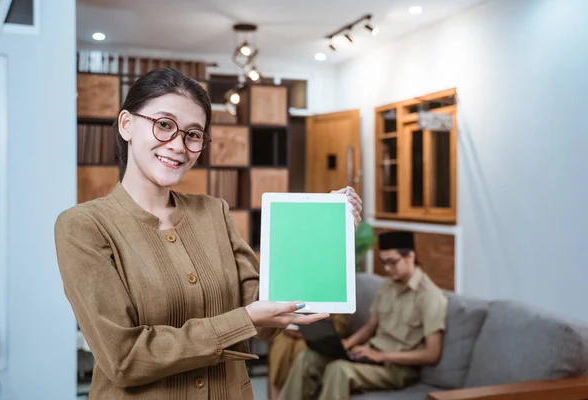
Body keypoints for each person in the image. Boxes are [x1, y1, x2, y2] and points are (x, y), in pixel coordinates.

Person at [53, 68, 363, 400]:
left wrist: (324, 229)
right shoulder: (82, 226)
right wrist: (242, 320)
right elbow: (125, 359)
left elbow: (264, 304)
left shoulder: (214, 211)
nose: (178, 145)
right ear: (127, 124)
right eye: (164, 125)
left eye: (193, 134)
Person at [278, 231, 448, 400]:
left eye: (392, 262)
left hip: (397, 368)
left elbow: (432, 354)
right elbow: (370, 326)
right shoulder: (388, 286)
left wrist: (382, 356)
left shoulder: (430, 297)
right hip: (371, 355)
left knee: (339, 369)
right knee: (308, 358)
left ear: (410, 256)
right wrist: (346, 344)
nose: (387, 269)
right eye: (384, 263)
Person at [268, 314, 348, 400]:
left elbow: (339, 326)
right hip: (291, 325)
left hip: (320, 332)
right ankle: (275, 396)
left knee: (303, 351)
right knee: (281, 346)